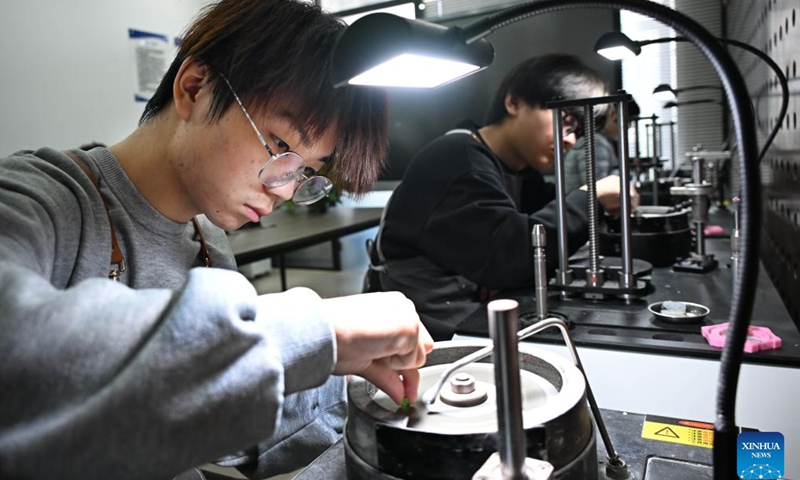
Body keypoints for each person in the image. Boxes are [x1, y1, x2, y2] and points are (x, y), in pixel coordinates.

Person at [0, 1, 433, 480]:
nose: (285, 190)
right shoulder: (35, 199)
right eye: (281, 147)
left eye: (306, 171)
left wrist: (357, 383)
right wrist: (314, 329)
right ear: (194, 88)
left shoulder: (206, 240)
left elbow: (219, 411)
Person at [367, 54, 638, 341]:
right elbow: (514, 255)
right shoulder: (457, 158)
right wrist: (592, 196)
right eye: (565, 120)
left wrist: (501, 269)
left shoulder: (521, 171)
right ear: (514, 102)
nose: (570, 139)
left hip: (467, 320)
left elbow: (524, 250)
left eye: (578, 132)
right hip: (421, 336)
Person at [563, 98, 641, 192]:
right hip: (582, 200)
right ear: (613, 114)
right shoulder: (596, 142)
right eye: (627, 122)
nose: (627, 127)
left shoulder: (599, 140)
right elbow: (598, 186)